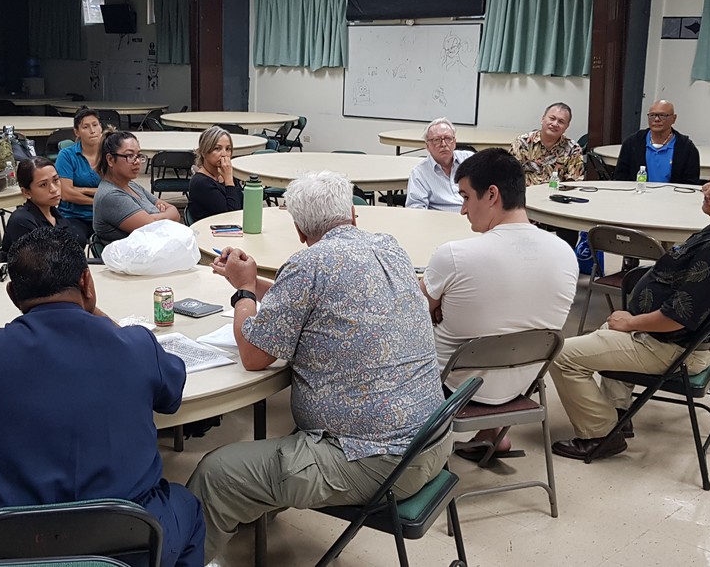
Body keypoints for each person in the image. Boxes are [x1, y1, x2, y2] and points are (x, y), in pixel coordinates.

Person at [187, 171, 447, 563]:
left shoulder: (308, 264)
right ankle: (251, 506)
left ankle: (193, 553)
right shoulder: (389, 247)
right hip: (432, 439)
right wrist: (255, 281)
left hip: (381, 460)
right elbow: (312, 303)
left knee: (217, 472)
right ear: (354, 215)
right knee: (271, 452)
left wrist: (243, 292)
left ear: (298, 229)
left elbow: (254, 356)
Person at [0, 227, 204, 566]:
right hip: (129, 539)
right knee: (188, 507)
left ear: (12, 294)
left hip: (10, 541)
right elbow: (171, 396)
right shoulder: (136, 345)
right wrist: (96, 313)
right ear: (87, 282)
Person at [547, 159, 710, 459]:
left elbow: (675, 319)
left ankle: (600, 434)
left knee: (560, 356)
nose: (705, 191)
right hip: (691, 342)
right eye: (709, 184)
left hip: (669, 346)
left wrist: (633, 323)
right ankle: (617, 413)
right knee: (609, 328)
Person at [421, 149, 578, 458]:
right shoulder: (566, 255)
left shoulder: (455, 255)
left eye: (466, 197)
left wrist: (438, 305)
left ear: (491, 194)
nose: (463, 210)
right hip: (522, 386)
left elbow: (413, 315)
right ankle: (493, 433)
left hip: (452, 388)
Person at [92, 131, 181, 244]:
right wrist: (159, 215)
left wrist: (155, 217)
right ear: (110, 159)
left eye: (138, 155)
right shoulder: (111, 196)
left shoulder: (131, 185)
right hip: (134, 259)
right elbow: (153, 228)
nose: (137, 161)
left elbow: (175, 213)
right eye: (129, 156)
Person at [1, 156, 86, 254]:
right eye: (43, 185)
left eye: (56, 180)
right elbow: (41, 263)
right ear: (26, 192)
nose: (53, 189)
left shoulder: (56, 215)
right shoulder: (21, 221)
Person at [612, 100, 702, 185]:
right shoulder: (632, 143)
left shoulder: (686, 148)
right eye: (652, 115)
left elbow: (690, 184)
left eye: (662, 115)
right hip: (638, 197)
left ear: (674, 118)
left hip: (673, 198)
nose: (656, 119)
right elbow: (620, 178)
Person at [405, 117, 476, 212]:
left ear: (454, 142)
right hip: (443, 222)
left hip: (476, 219)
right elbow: (415, 209)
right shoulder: (420, 173)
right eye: (436, 140)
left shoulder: (470, 160)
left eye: (448, 139)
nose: (443, 144)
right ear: (427, 146)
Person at [56, 108, 105, 241]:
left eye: (95, 125)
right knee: (74, 240)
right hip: (74, 216)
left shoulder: (110, 154)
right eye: (86, 127)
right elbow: (66, 194)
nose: (92, 130)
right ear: (77, 132)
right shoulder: (66, 155)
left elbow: (118, 189)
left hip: (106, 215)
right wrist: (102, 201)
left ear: (101, 127)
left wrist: (82, 189)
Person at [510, 102, 585, 187]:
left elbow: (575, 182)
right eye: (552, 118)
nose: (555, 124)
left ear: (566, 126)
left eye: (561, 122)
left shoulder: (573, 149)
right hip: (526, 195)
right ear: (542, 119)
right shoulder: (522, 143)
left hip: (558, 195)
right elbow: (509, 176)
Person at [186, 126, 243, 223]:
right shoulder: (201, 182)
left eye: (228, 149)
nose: (224, 154)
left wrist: (229, 178)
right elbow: (231, 215)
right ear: (204, 152)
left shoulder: (225, 175)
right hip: (211, 233)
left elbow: (242, 205)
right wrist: (229, 180)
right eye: (217, 149)